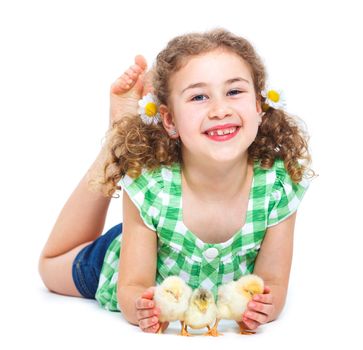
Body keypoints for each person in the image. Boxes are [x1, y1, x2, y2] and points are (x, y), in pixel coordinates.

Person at [38, 28, 315, 334]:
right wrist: (141, 308)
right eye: (199, 96)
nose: (220, 110)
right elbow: (132, 286)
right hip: (131, 251)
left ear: (259, 107)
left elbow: (273, 283)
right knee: (50, 268)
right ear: (169, 121)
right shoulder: (151, 186)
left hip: (168, 241)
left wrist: (266, 306)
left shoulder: (277, 186)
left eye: (234, 92)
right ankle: (116, 141)